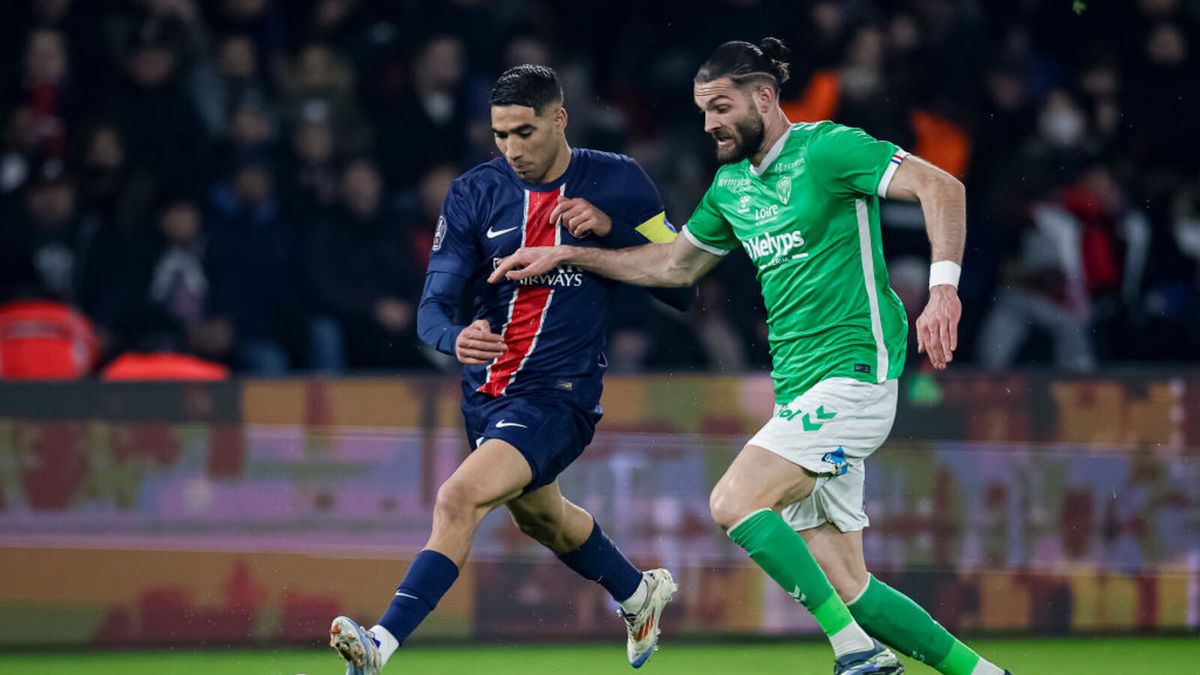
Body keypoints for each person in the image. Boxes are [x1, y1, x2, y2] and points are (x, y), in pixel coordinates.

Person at [491, 39, 1012, 675]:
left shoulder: (828, 149)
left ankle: (852, 652)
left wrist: (943, 290)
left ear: (764, 97)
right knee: (851, 587)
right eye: (702, 110)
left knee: (734, 503)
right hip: (797, 392)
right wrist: (571, 254)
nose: (708, 122)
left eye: (719, 106)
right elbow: (675, 265)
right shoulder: (731, 187)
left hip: (854, 375)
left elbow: (942, 187)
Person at [329, 65, 694, 674]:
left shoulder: (620, 181)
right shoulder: (475, 192)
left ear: (559, 118)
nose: (512, 149)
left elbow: (683, 284)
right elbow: (433, 309)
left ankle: (379, 646)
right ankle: (638, 594)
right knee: (544, 518)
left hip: (561, 393)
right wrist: (454, 335)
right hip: (488, 394)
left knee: (458, 497)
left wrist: (610, 231)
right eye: (500, 134)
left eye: (524, 132)